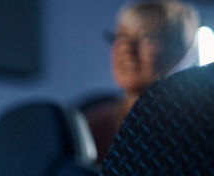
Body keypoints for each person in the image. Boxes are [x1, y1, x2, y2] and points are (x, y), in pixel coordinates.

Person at [85, 2, 200, 164]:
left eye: (146, 38)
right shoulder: (91, 127)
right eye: (121, 36)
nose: (126, 48)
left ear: (178, 51)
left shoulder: (196, 128)